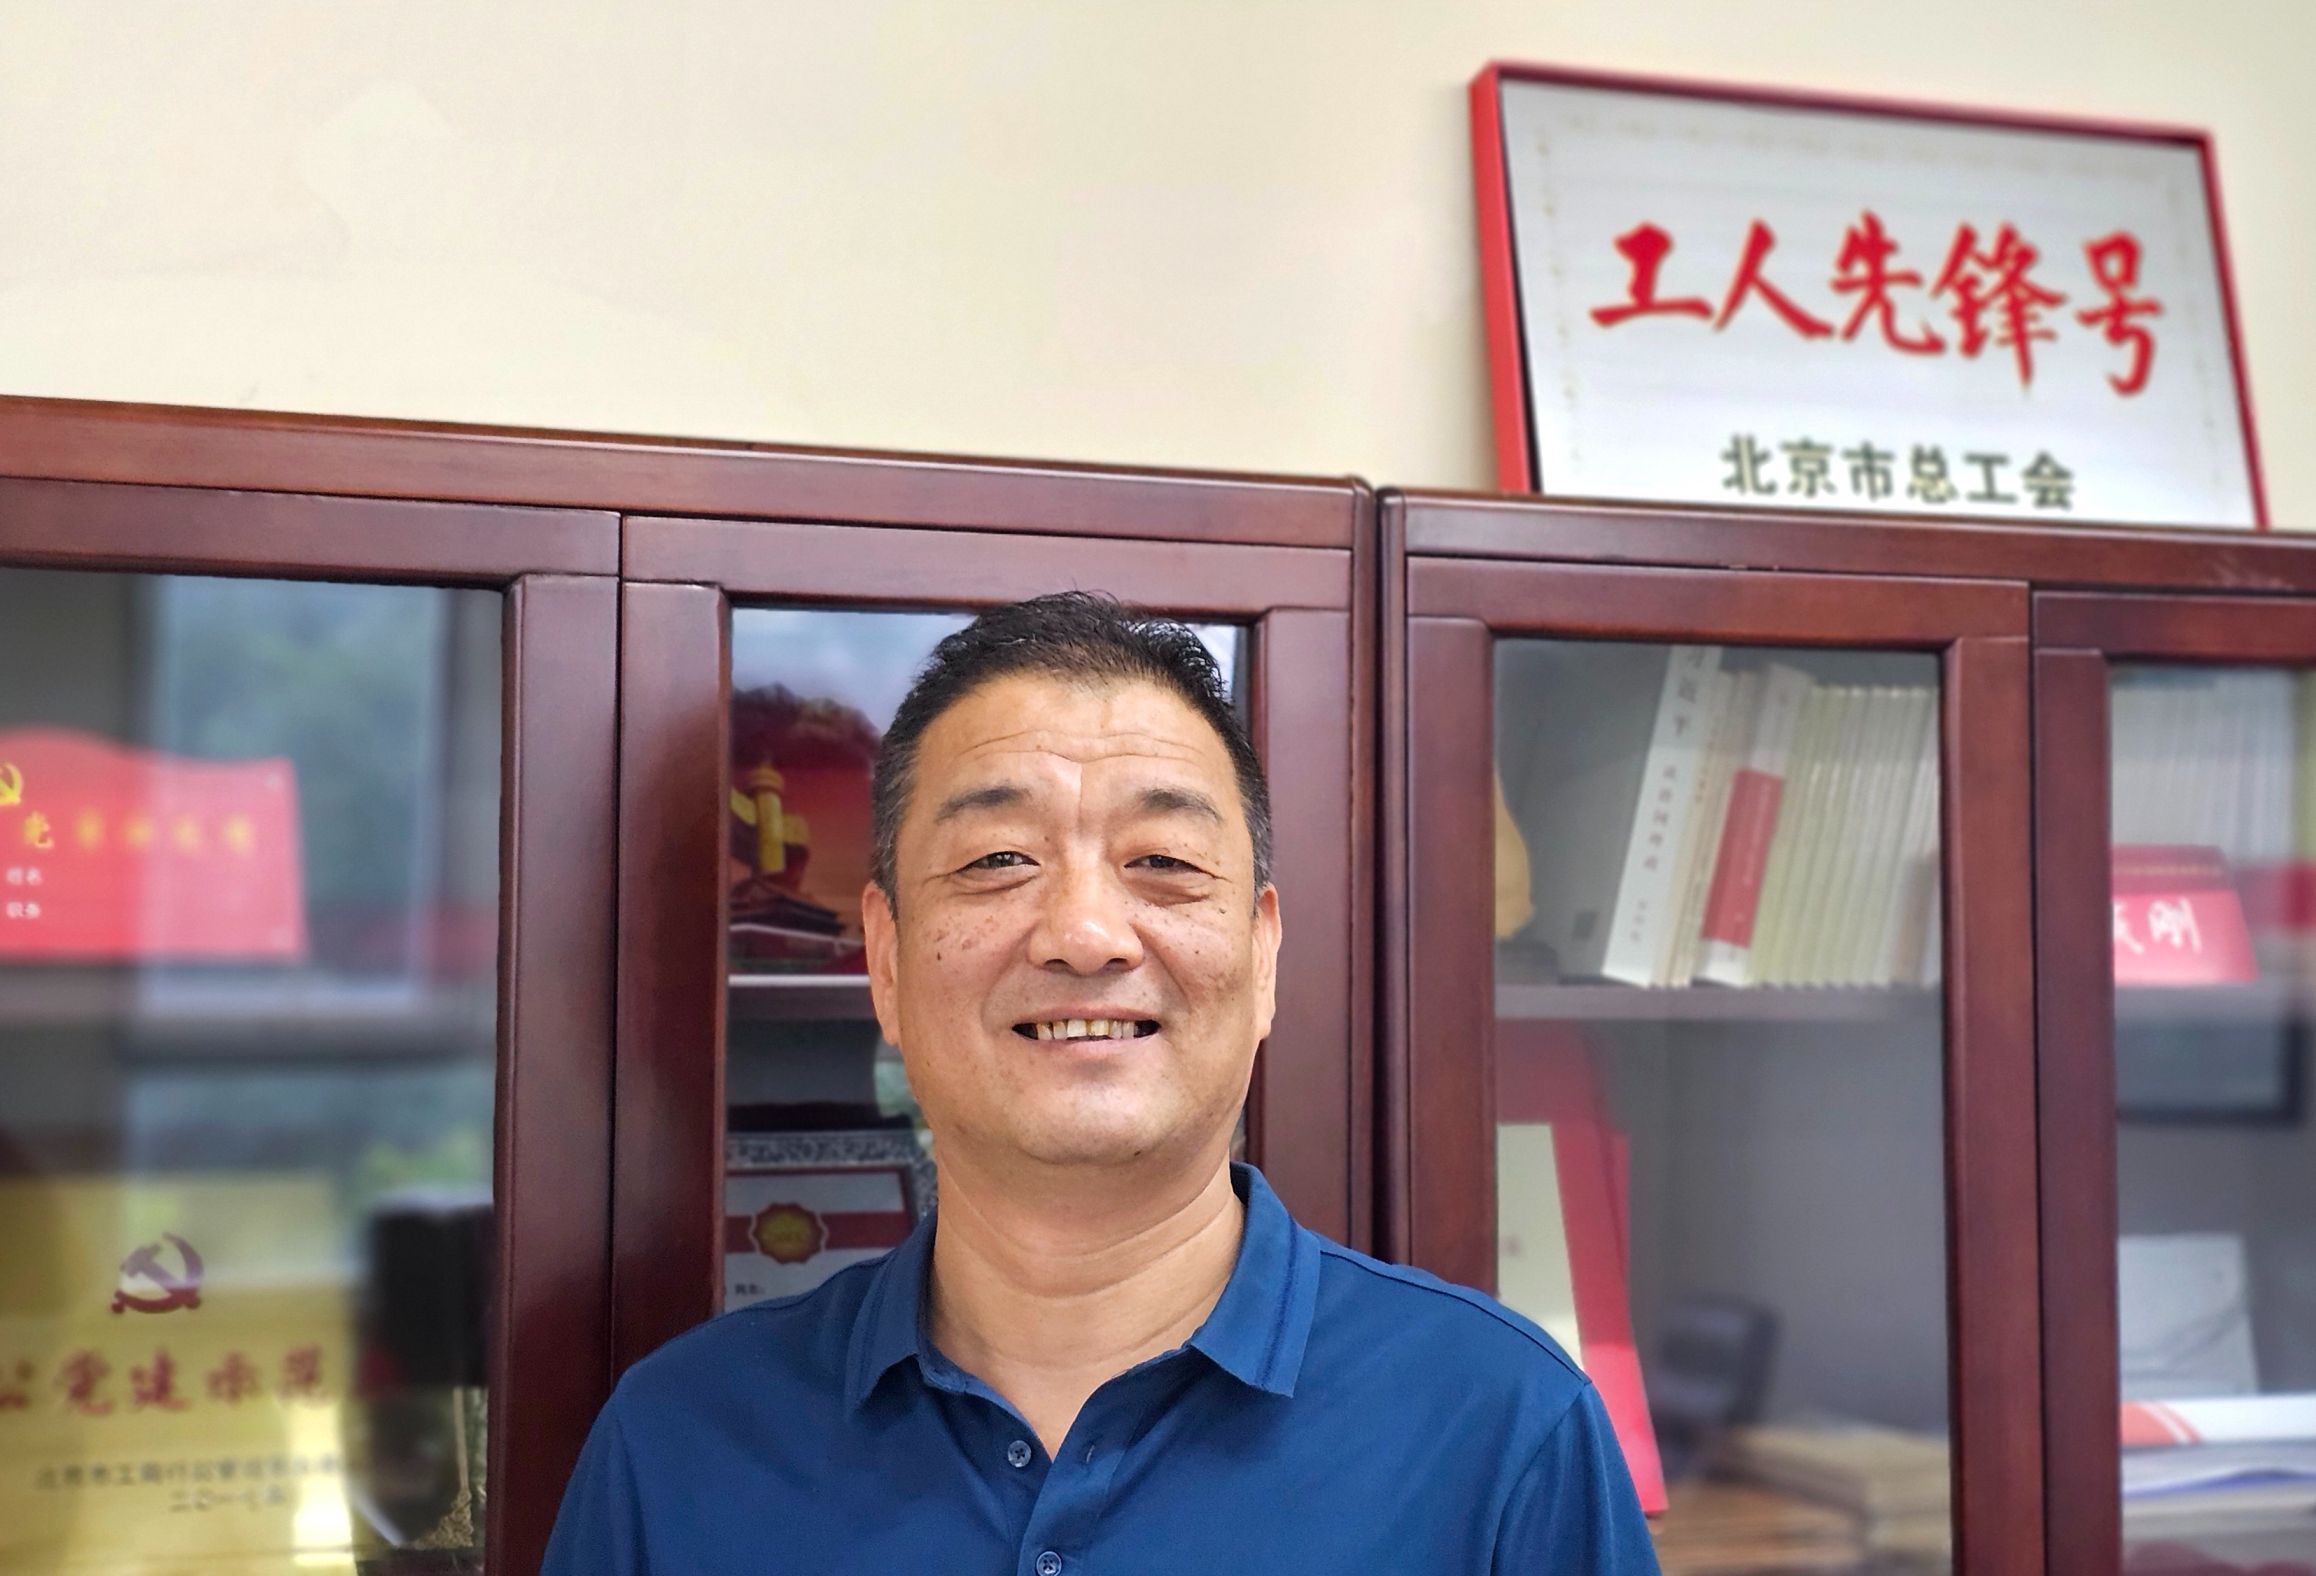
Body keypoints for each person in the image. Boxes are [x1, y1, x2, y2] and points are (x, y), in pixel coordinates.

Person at [542, 592, 1658, 1573]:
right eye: (998, 860)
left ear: (1264, 957)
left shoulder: (1504, 1429)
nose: (1083, 933)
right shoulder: (676, 1445)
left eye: (1163, 863)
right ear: (884, 960)